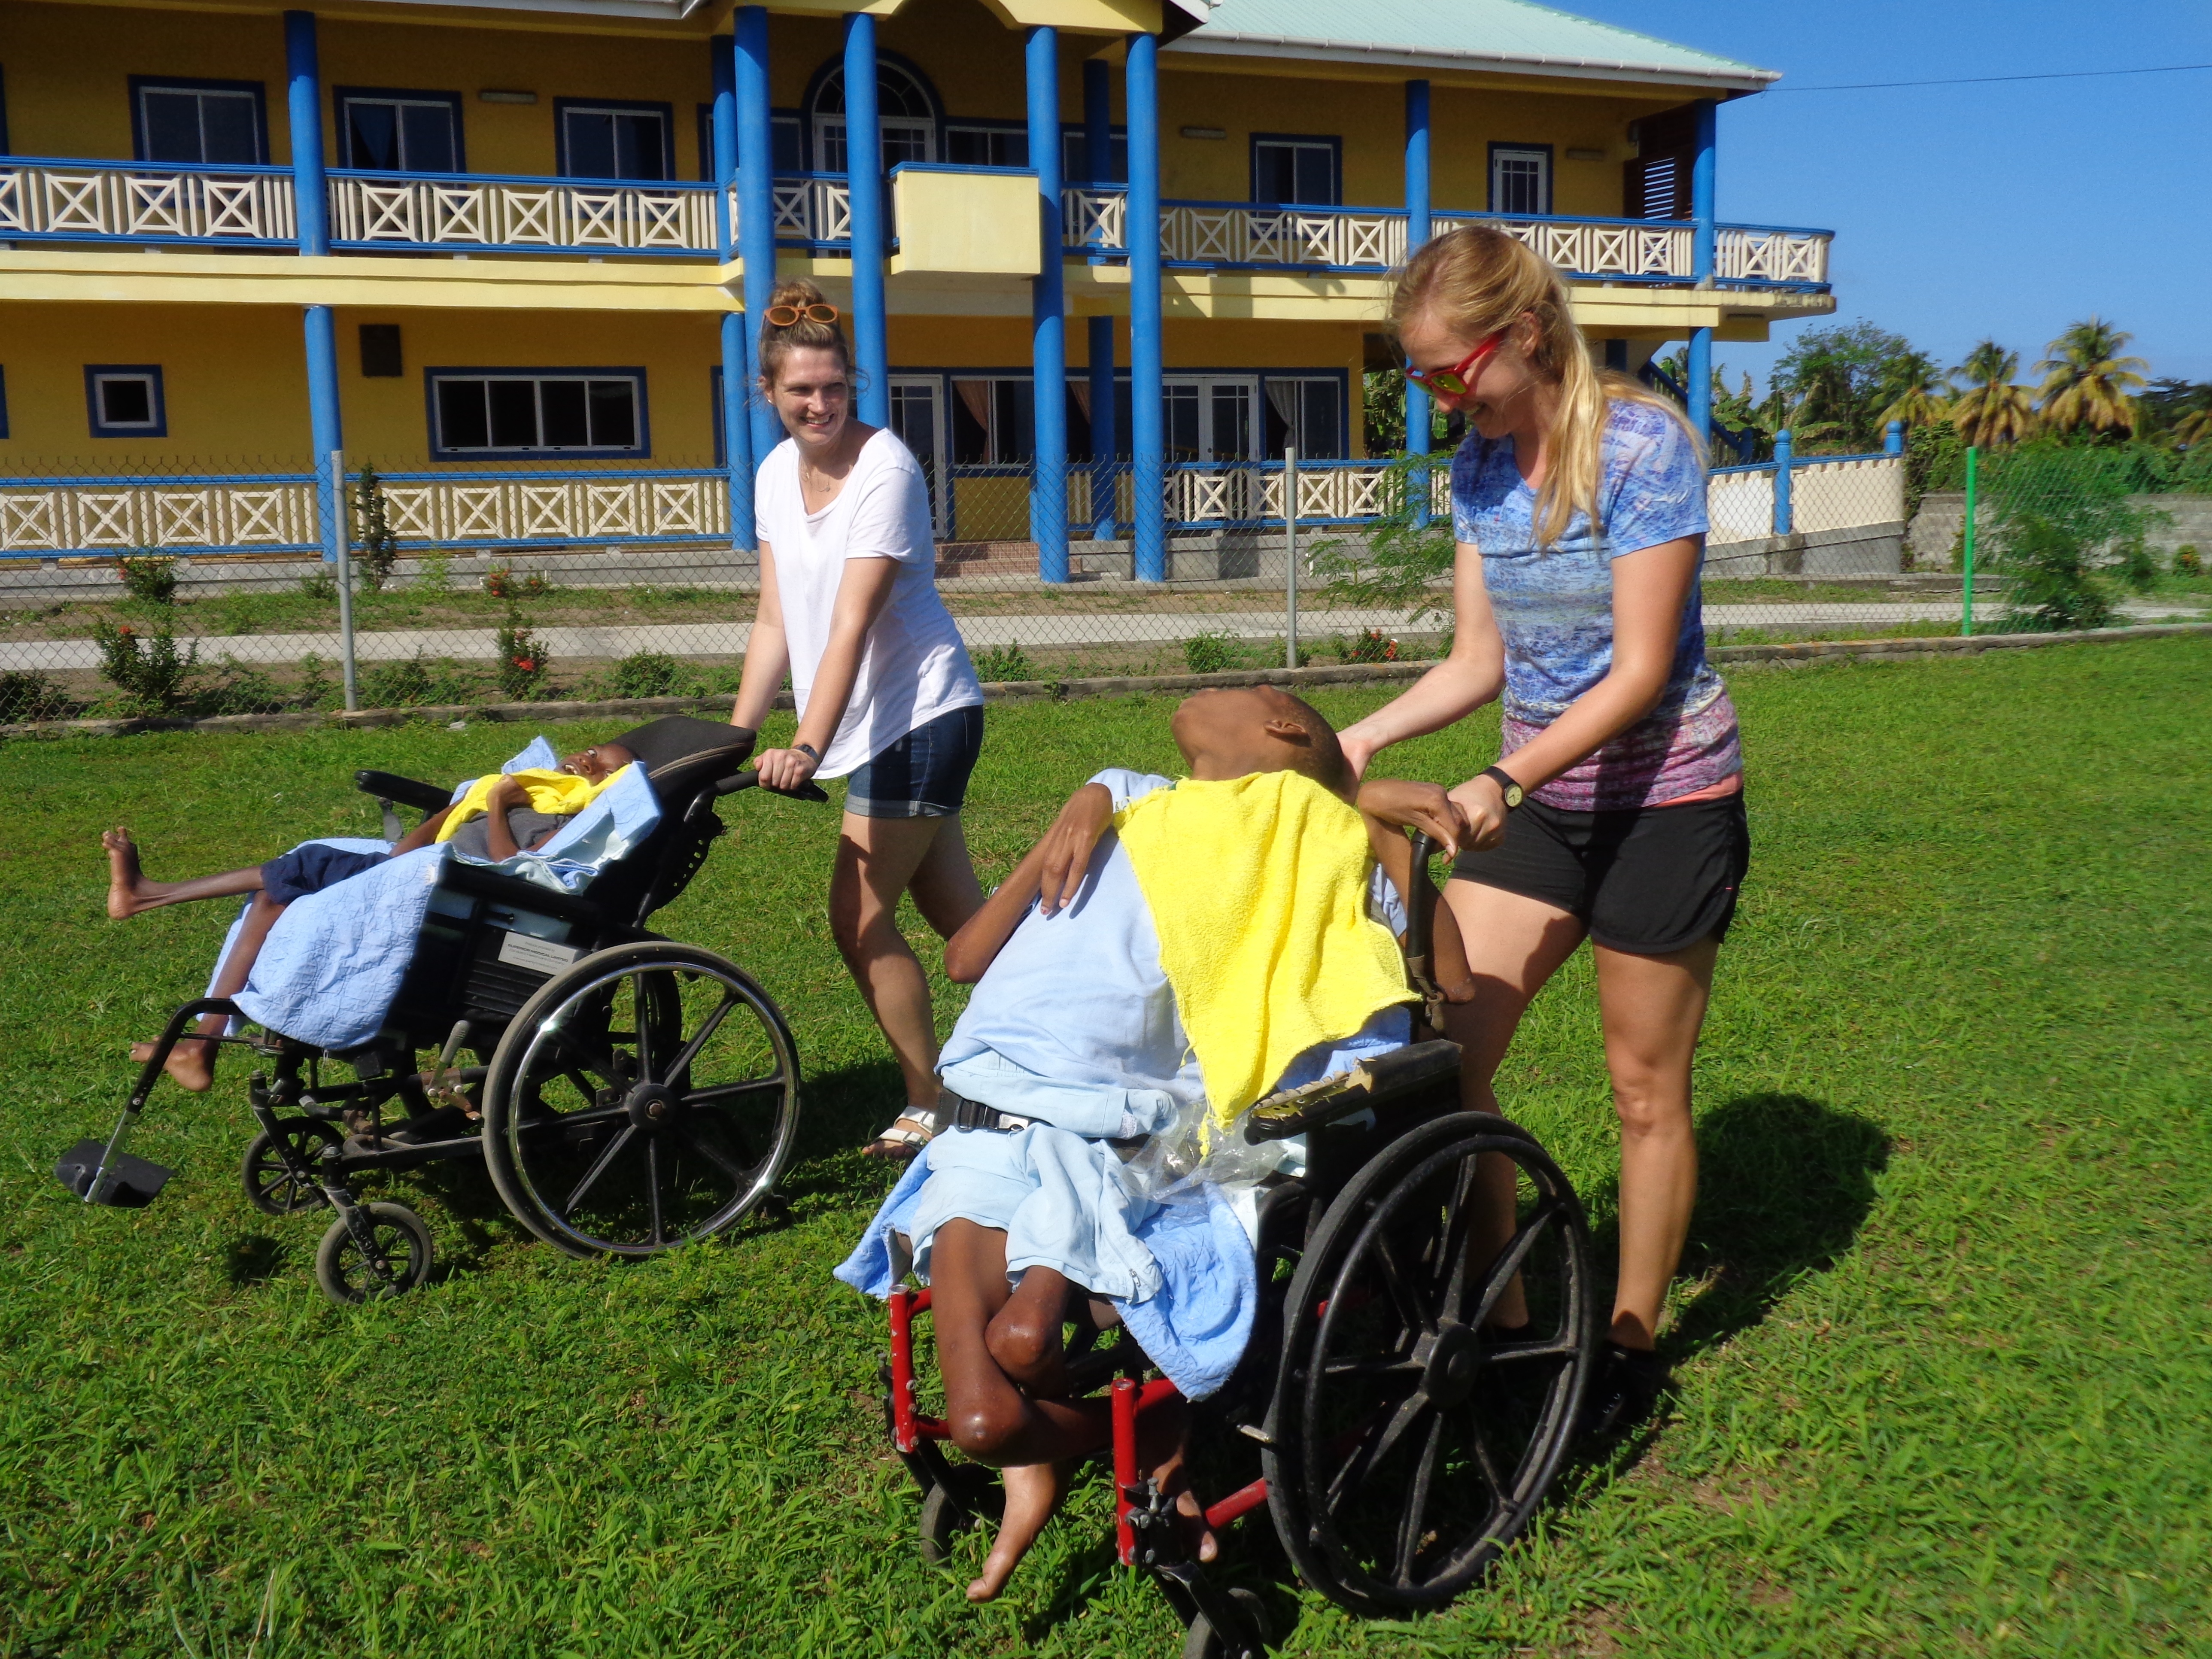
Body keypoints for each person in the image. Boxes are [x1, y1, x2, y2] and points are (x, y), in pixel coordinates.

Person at [838, 685, 1465, 1602]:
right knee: (984, 1405)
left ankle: (1137, 1441)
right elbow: (967, 959)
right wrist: (1088, 802)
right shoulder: (1130, 794)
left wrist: (1361, 814)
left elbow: (1437, 982)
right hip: (991, 1099)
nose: (1202, 692)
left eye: (1237, 692)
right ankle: (1128, 1442)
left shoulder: (1310, 839)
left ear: (1283, 729)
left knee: (1017, 1352)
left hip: (1109, 1115)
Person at [1338, 225, 1751, 1437]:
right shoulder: (1476, 467)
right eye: (1416, 374)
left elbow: (1635, 673)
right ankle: (1506, 1313)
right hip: (1540, 801)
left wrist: (1503, 780)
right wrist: (1356, 741)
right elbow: (1478, 659)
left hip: (1665, 800)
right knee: (1450, 1058)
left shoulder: (1642, 447)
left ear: (1518, 337)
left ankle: (1629, 1348)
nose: (1432, 395)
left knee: (1642, 1089)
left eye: (1445, 371)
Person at [731, 278, 988, 1160]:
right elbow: (775, 617)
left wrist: (805, 742)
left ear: (852, 385)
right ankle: (1077, 1031)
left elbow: (851, 622)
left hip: (919, 718)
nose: (818, 404)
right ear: (766, 393)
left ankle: (933, 1100)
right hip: (882, 722)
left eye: (833, 386)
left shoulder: (885, 470)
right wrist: (737, 736)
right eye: (800, 389)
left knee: (857, 918)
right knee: (965, 920)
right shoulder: (773, 474)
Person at [101, 741, 635, 1091]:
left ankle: (153, 902)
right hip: (419, 868)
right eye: (588, 750)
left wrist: (499, 804)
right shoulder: (536, 790)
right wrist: (462, 805)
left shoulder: (564, 819)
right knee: (276, 894)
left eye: (602, 766)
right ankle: (199, 1042)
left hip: (460, 889)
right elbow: (422, 844)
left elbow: (513, 867)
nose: (586, 760)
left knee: (298, 871)